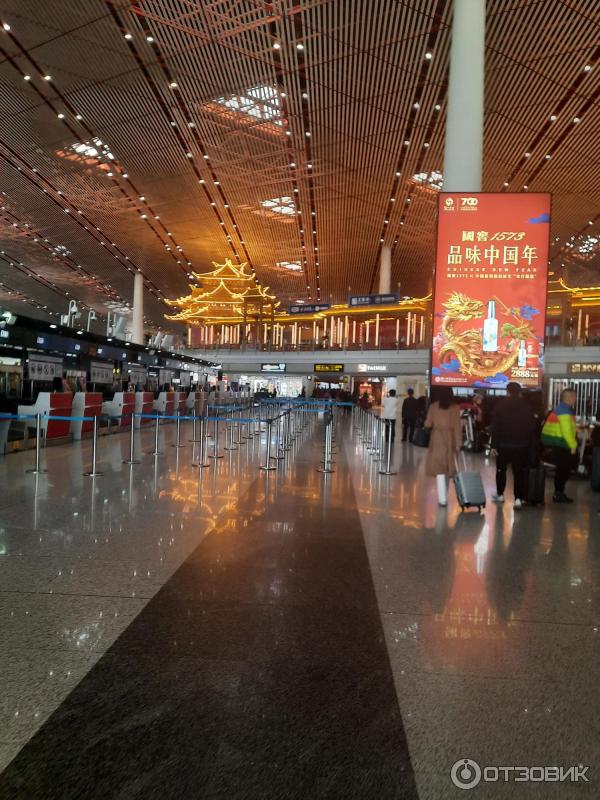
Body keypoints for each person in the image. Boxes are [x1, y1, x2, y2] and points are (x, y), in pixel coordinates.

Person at [490, 382, 535, 509]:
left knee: (501, 470)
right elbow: (531, 427)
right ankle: (518, 499)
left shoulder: (500, 406)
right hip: (521, 445)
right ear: (520, 392)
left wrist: (494, 445)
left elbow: (496, 427)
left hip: (503, 445)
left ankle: (500, 495)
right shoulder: (527, 407)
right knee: (519, 472)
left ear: (507, 391)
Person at [425, 387, 462, 507]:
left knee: (439, 468)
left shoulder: (433, 407)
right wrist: (458, 443)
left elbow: (428, 423)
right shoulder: (455, 408)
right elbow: (457, 427)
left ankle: (442, 499)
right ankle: (444, 495)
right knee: (447, 468)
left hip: (437, 438)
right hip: (450, 440)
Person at [541, 388, 578, 503]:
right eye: (574, 396)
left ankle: (559, 493)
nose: (576, 399)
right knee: (563, 470)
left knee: (562, 470)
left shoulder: (561, 409)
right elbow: (566, 431)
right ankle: (558, 494)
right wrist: (573, 445)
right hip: (562, 444)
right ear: (569, 398)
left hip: (558, 443)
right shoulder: (564, 411)